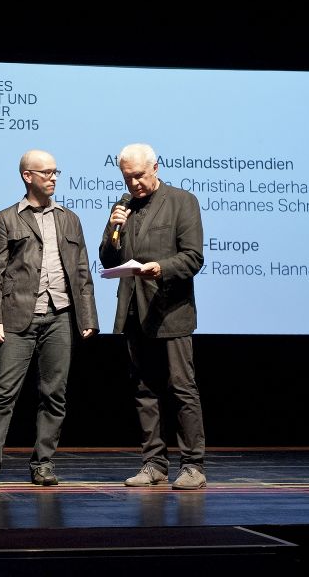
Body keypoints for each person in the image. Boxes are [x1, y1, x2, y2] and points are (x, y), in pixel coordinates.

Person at [0, 149, 99, 488]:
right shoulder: (7, 218)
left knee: (54, 394)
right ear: (28, 176)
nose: (53, 177)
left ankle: (43, 463)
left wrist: (88, 316)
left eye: (56, 171)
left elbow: (82, 271)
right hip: (17, 317)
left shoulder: (69, 219)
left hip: (60, 317)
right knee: (2, 392)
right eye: (46, 172)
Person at [99, 143, 207, 490]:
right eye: (127, 177)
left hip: (170, 310)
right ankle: (154, 463)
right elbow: (107, 258)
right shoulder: (123, 206)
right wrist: (114, 232)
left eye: (139, 176)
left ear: (155, 168)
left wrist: (161, 268)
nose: (134, 184)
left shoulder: (182, 201)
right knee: (145, 389)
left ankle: (192, 465)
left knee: (181, 388)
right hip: (134, 312)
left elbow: (192, 257)